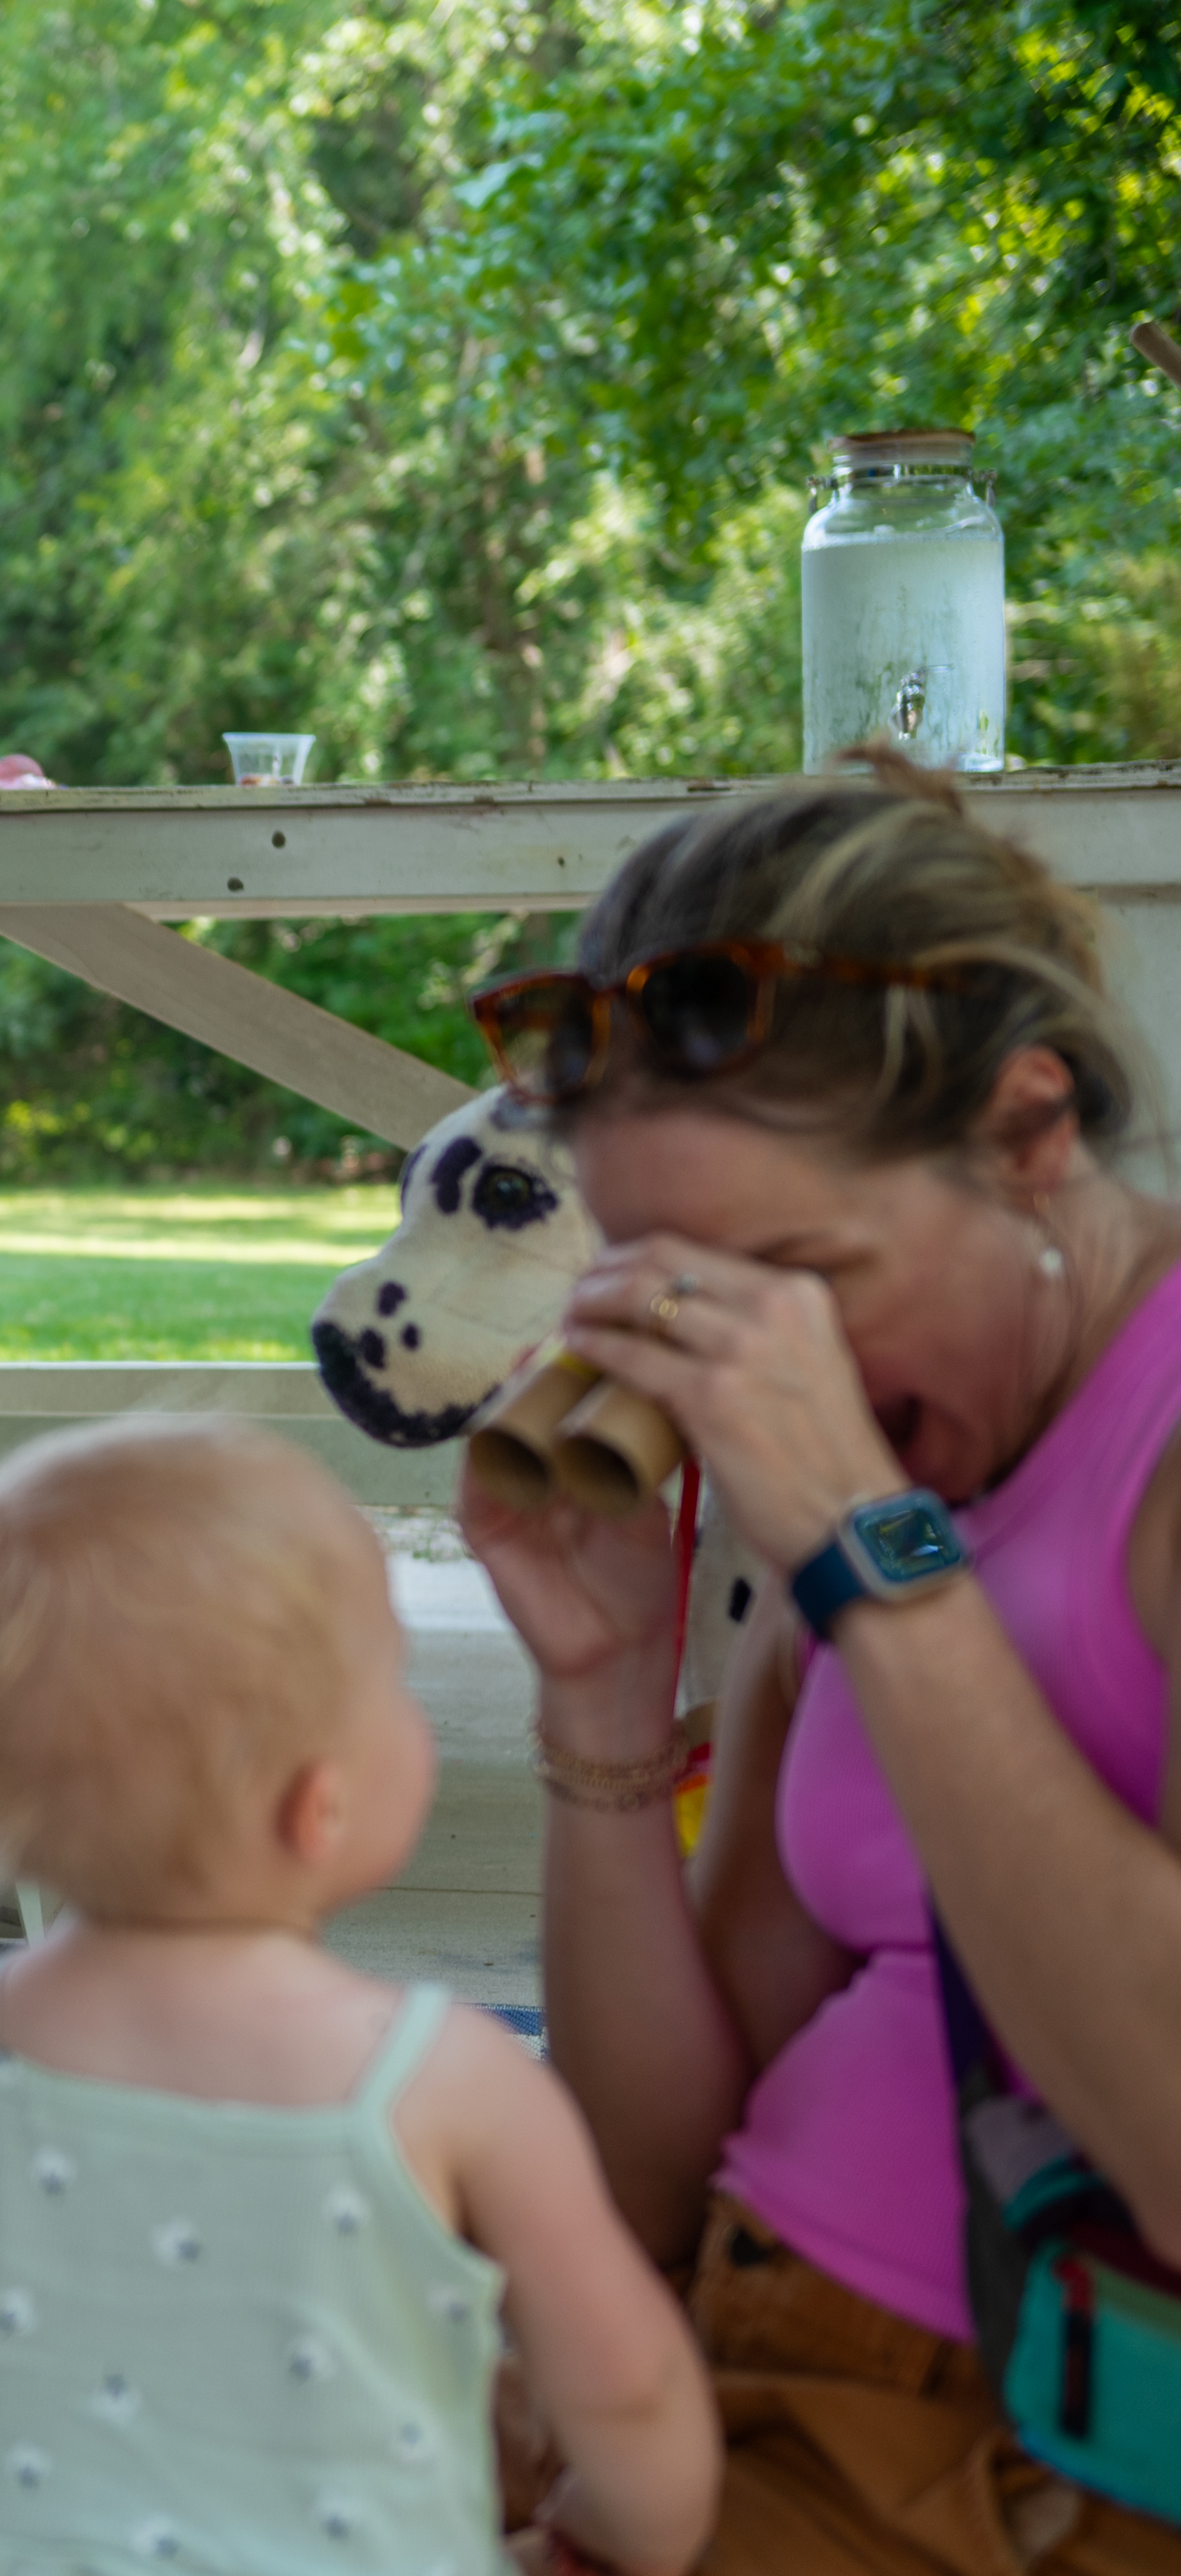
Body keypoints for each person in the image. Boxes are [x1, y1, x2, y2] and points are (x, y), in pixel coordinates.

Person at [467, 755, 1181, 2568]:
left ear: (1029, 1131)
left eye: (790, 1269)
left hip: (1012, 2439)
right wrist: (601, 1713)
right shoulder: (874, 1470)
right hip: (719, 2346)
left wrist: (879, 1566)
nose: (742, 1361)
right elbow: (644, 2174)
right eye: (667, 1283)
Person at [0, 1419, 715, 2576]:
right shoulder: (448, 2074)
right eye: (395, 1681)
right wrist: (621, 2533)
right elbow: (626, 2395)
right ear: (316, 1805)